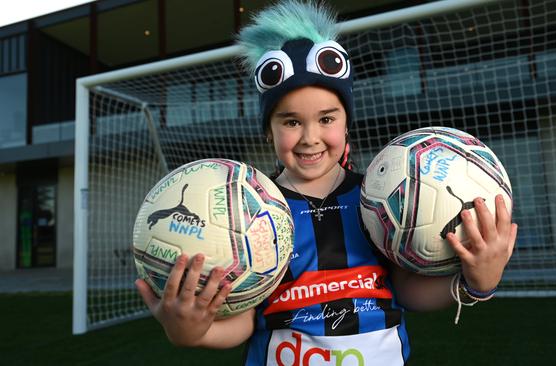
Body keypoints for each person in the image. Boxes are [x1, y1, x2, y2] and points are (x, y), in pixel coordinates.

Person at [135, 1, 518, 364]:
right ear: (269, 131)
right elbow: (248, 321)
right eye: (290, 121)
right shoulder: (250, 212)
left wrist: (474, 283)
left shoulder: (382, 201)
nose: (309, 137)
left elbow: (405, 291)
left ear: (346, 120)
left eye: (327, 119)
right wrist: (195, 332)